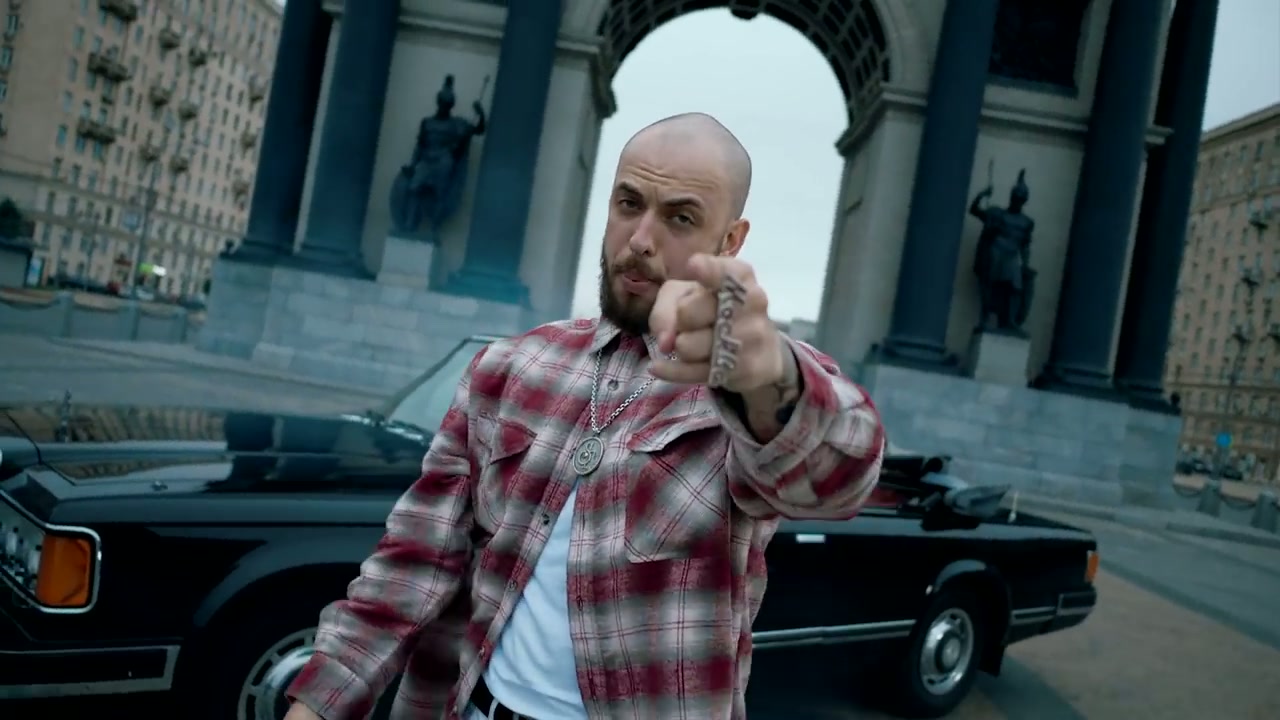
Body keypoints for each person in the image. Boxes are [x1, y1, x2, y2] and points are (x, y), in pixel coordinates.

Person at [284, 112, 886, 720]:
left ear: (730, 242)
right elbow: (411, 563)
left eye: (680, 217)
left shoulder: (751, 385)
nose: (641, 239)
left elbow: (840, 475)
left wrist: (770, 381)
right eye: (629, 203)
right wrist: (315, 706)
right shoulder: (513, 365)